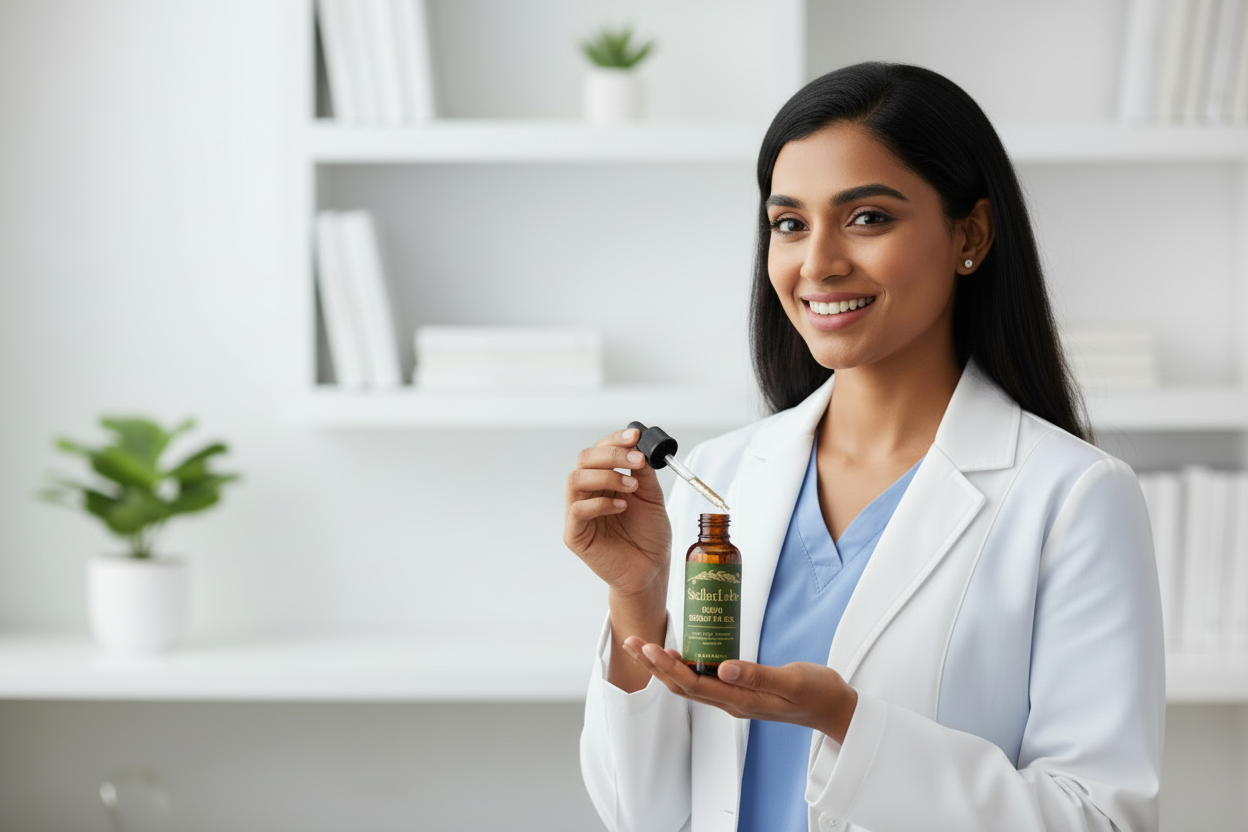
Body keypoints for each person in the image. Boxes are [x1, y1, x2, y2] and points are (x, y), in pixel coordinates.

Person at [563, 62, 1164, 832]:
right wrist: (634, 601)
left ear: (970, 235)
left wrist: (848, 722)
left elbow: (1102, 820)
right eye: (790, 224)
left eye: (868, 218)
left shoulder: (1075, 498)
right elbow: (635, 813)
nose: (817, 264)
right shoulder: (712, 478)